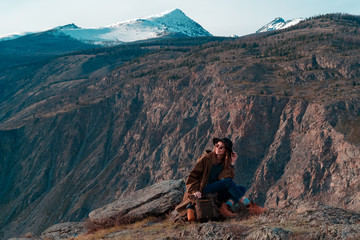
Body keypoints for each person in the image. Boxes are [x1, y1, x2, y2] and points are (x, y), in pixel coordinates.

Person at [175, 137, 266, 220]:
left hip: (215, 190)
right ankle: (248, 204)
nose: (218, 148)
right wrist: (195, 190)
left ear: (226, 151)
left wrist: (232, 163)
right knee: (228, 183)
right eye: (217, 145)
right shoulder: (206, 159)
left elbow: (228, 178)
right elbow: (193, 176)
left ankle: (226, 207)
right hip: (204, 189)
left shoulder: (224, 162)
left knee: (242, 188)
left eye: (221, 147)